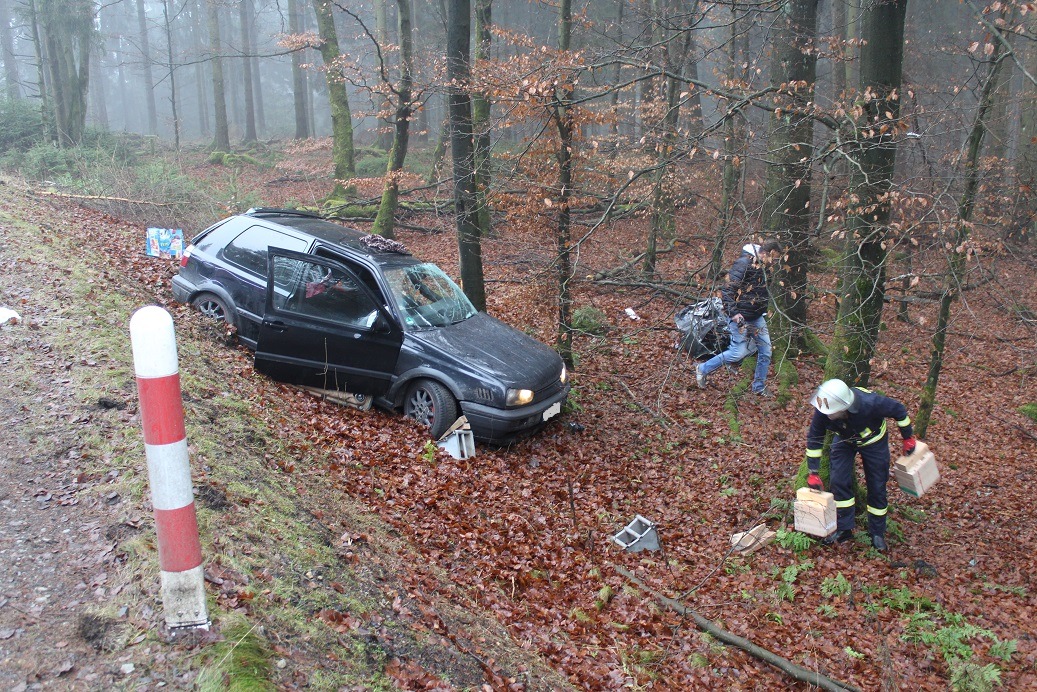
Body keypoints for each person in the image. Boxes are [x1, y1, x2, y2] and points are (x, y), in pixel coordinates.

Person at [803, 379, 917, 552]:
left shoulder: (871, 404)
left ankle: (877, 532)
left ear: (843, 407)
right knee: (839, 480)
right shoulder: (823, 409)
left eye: (831, 413)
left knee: (877, 485)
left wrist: (908, 437)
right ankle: (844, 528)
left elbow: (899, 410)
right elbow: (814, 439)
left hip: (874, 441)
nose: (826, 416)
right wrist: (813, 471)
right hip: (844, 440)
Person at [695, 240, 783, 395]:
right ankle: (702, 368)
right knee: (737, 353)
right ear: (764, 254)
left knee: (766, 351)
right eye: (772, 258)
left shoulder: (763, 268)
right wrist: (734, 313)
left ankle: (759, 386)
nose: (773, 262)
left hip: (756, 316)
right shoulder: (743, 263)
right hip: (740, 316)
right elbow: (727, 291)